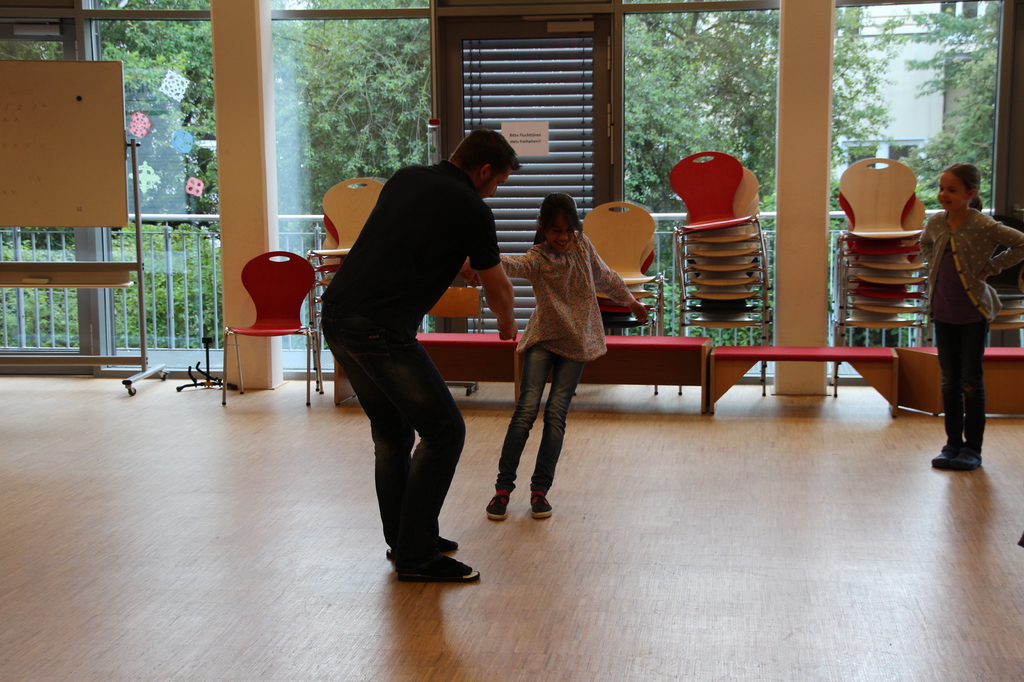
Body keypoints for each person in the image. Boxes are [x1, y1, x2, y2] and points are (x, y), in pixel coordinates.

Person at [319, 129, 519, 583]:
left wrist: (456, 263)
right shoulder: (472, 207)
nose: (494, 192)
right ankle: (417, 555)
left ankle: (405, 538)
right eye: (497, 183)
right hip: (379, 329)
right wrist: (508, 325)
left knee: (393, 431)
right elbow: (499, 287)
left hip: (337, 316)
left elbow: (404, 242)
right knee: (445, 431)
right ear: (484, 170)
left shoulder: (407, 177)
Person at [483, 193, 648, 520]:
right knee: (526, 410)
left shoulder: (583, 246)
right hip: (544, 339)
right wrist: (480, 261)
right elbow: (512, 264)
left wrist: (631, 301)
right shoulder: (539, 257)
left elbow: (605, 276)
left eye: (569, 230)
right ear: (542, 227)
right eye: (555, 230)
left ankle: (540, 490)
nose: (562, 237)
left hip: (577, 341)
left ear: (576, 229)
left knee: (556, 414)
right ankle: (503, 488)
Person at [921, 163, 1024, 471]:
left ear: (970, 193)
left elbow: (1020, 243)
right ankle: (952, 444)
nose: (943, 194)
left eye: (951, 190)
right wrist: (932, 262)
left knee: (970, 381)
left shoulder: (983, 224)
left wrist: (990, 268)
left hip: (971, 316)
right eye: (941, 188)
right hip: (943, 313)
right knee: (949, 382)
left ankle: (972, 448)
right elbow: (925, 243)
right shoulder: (935, 222)